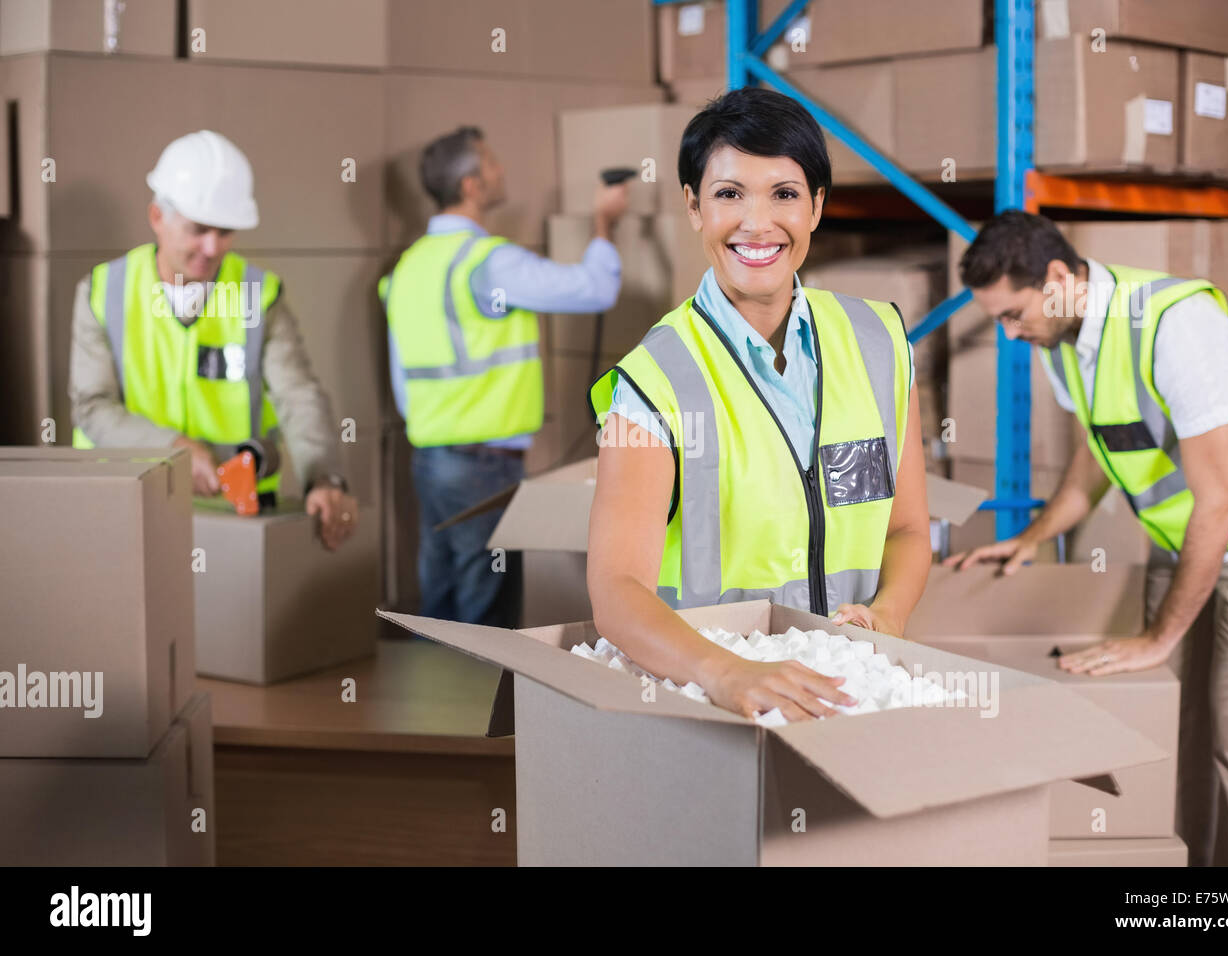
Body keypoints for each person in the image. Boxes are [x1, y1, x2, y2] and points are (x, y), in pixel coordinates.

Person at [948, 210, 1228, 866]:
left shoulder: (1174, 325)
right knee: (1179, 730)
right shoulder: (1065, 344)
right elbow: (1097, 452)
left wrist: (1158, 638)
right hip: (1182, 543)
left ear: (1058, 278)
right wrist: (1035, 535)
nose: (1008, 332)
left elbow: (1222, 501)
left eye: (1013, 314)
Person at [586, 88, 931, 724]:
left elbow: (908, 530)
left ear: (817, 206)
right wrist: (725, 673)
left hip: (845, 690)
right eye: (728, 194)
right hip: (708, 702)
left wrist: (887, 616)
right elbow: (615, 589)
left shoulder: (879, 343)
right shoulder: (654, 380)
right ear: (693, 206)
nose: (757, 223)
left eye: (784, 194)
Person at [382, 126, 628, 626]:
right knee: (485, 610)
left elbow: (403, 379)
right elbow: (594, 290)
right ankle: (480, 703)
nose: (502, 171)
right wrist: (604, 225)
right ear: (472, 185)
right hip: (483, 465)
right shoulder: (488, 263)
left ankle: (434, 702)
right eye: (492, 163)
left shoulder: (406, 269)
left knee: (442, 600)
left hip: (429, 457)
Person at [69, 130, 357, 551]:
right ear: (157, 218)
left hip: (235, 515)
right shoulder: (103, 291)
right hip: (127, 508)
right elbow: (92, 407)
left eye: (225, 232)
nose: (211, 247)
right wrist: (173, 448)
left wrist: (325, 477)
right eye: (198, 229)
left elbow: (299, 396)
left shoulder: (258, 293)